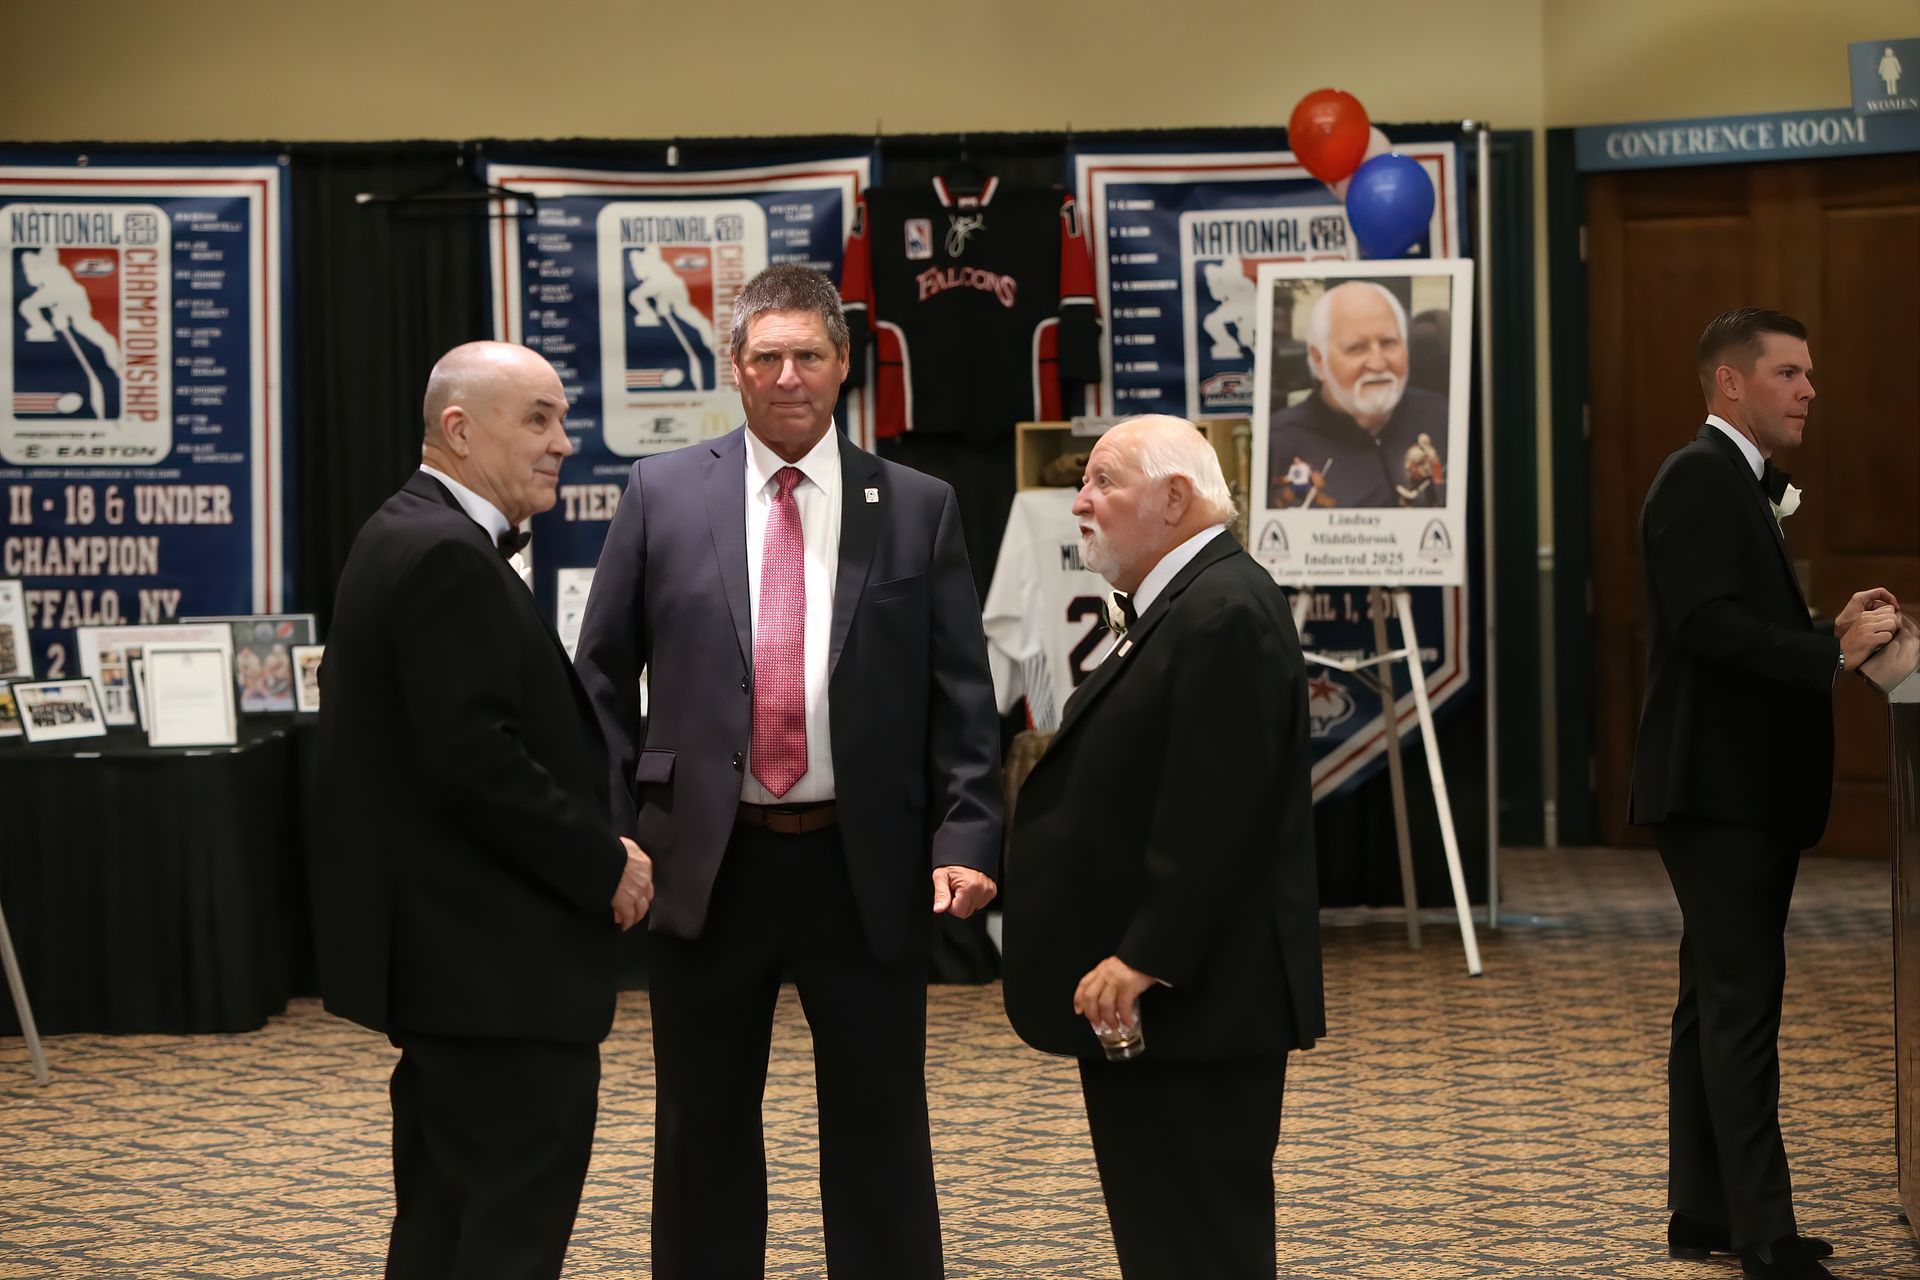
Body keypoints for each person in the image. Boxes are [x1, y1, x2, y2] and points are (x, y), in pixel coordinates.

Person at [573, 264, 1002, 1280]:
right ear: (734, 366)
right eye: (766, 356)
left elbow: (963, 695)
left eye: (809, 354)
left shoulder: (917, 505)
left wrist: (968, 834)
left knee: (881, 1122)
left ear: (844, 363)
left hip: (866, 860)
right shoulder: (661, 493)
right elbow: (599, 680)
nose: (788, 375)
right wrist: (616, 832)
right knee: (702, 1127)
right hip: (705, 864)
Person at [313, 340, 655, 1280]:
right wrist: (606, 862)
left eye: (562, 419)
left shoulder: (407, 530)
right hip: (495, 976)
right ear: (459, 431)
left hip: (459, 975)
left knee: (445, 1225)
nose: (562, 443)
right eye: (537, 419)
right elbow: (477, 767)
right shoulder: (442, 554)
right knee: (505, 1236)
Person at [1000, 414, 1324, 1280]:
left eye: (1103, 482)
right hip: (1176, 1006)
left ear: (1175, 499)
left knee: (1198, 1246)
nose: (1080, 502)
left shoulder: (1224, 612)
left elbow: (1219, 814)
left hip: (1197, 1005)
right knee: (1166, 1243)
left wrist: (1144, 956)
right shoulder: (1189, 604)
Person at [1630, 308, 1901, 1280]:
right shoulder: (1698, 476)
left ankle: (1703, 1209)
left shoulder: (1728, 480)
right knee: (1743, 1006)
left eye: (1810, 373)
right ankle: (1765, 1237)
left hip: (1731, 788)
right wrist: (1832, 650)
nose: (1809, 390)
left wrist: (1830, 628)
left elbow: (1739, 623)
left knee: (1712, 1000)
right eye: (1789, 372)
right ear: (1730, 382)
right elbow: (1708, 628)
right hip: (1720, 791)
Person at [1266, 279, 1447, 508]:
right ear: (1319, 360)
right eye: (1356, 348)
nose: (1378, 364)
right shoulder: (1277, 442)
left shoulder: (1445, 420)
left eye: (1388, 343)